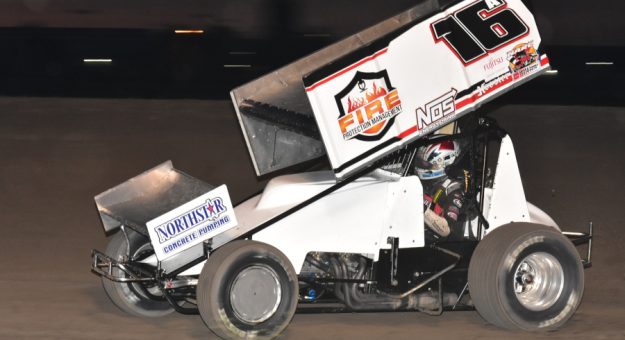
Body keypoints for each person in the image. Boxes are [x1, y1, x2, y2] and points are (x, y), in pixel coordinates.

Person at [414, 138, 468, 242]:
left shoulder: (454, 191)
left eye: (426, 165)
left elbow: (446, 230)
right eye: (421, 163)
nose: (421, 166)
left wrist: (421, 209)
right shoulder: (430, 182)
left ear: (443, 163)